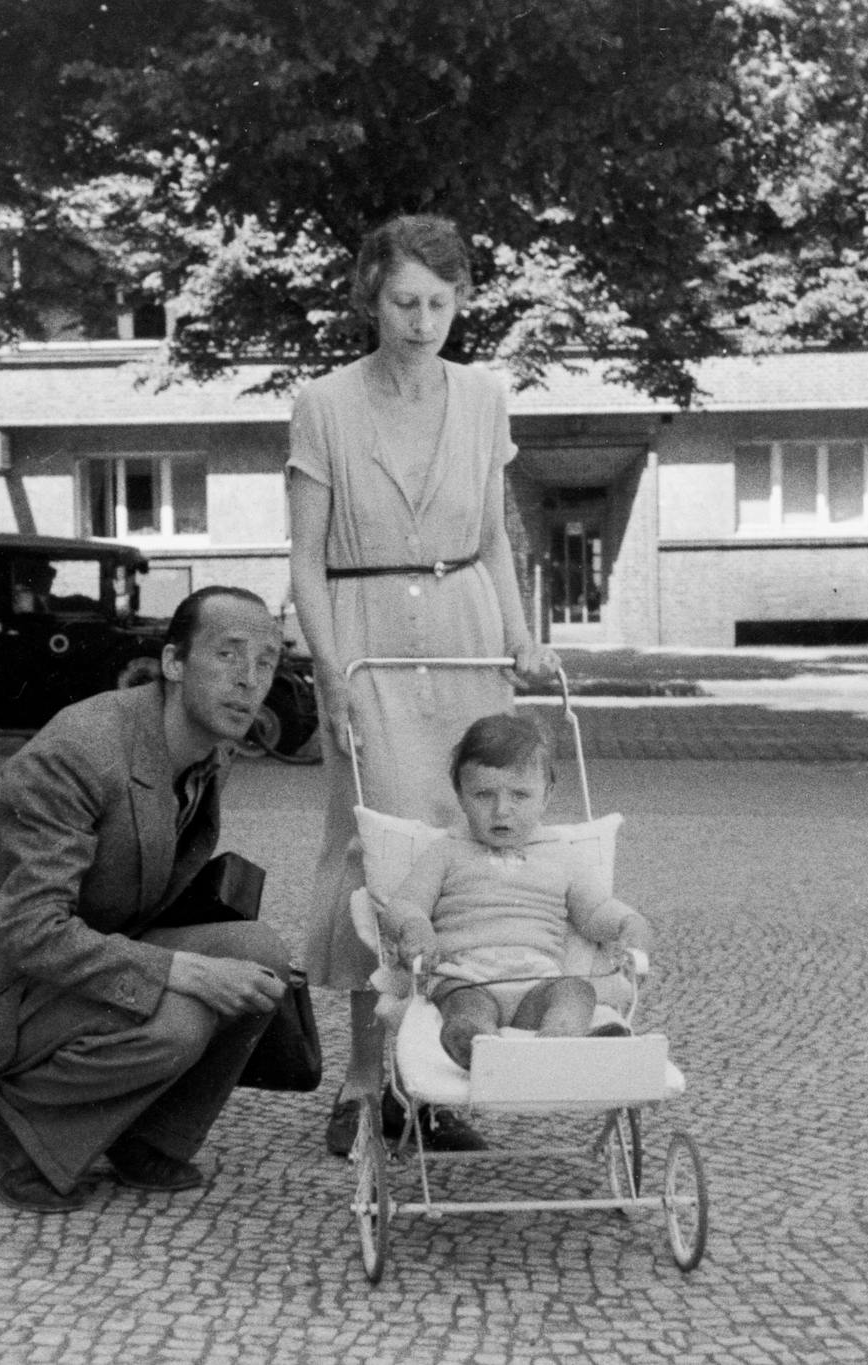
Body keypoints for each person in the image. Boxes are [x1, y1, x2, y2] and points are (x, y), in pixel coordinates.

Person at [287, 213, 560, 1155]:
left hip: (466, 637)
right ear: (371, 297)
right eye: (404, 300)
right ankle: (365, 1082)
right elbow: (307, 558)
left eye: (441, 302)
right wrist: (329, 677)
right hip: (364, 641)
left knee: (466, 847)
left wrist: (522, 637)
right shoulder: (322, 403)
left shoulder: (485, 396)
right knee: (380, 851)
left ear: (461, 302)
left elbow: (495, 535)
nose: (421, 319)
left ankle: (436, 1080)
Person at [0, 586, 291, 1214]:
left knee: (260, 957)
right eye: (227, 655)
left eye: (266, 661)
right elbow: (32, 929)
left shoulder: (209, 747)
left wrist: (199, 965)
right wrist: (184, 971)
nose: (249, 681)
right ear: (174, 663)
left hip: (88, 954)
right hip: (4, 990)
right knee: (181, 1020)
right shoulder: (81, 751)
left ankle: (145, 1137)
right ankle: (20, 1128)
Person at [378, 713, 652, 1071]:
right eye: (483, 795)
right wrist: (416, 929)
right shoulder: (447, 851)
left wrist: (628, 925)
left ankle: (562, 1038)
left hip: (539, 983)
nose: (501, 810)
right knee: (465, 1008)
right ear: (460, 796)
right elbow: (404, 904)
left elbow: (595, 911)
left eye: (520, 795)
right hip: (468, 977)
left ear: (546, 796)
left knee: (576, 992)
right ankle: (475, 1043)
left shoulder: (561, 855)